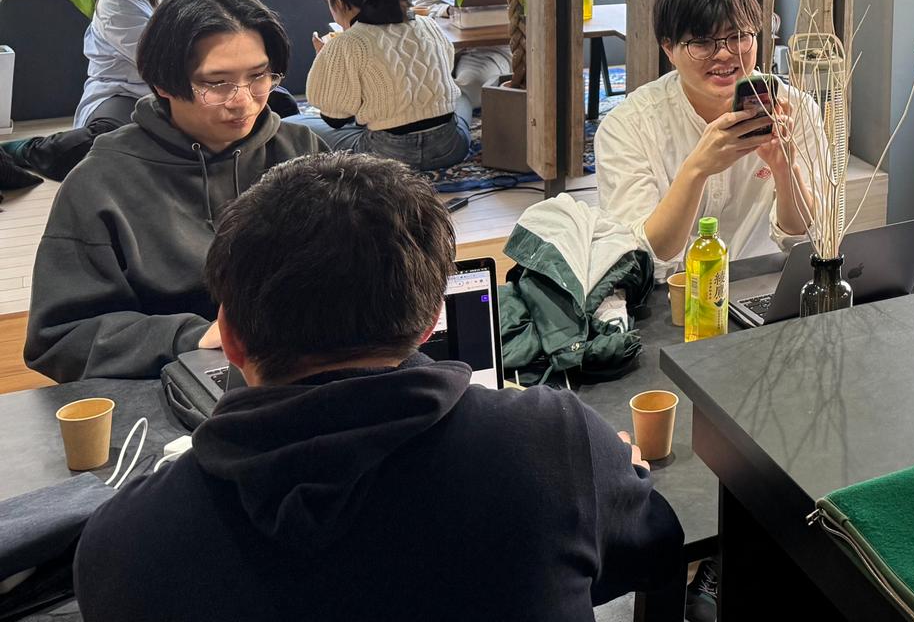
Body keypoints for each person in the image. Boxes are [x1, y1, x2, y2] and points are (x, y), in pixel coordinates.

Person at [73, 152, 684, 622]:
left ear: (227, 337)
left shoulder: (122, 544)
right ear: (430, 321)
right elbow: (651, 551)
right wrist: (611, 475)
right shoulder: (552, 444)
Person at [25, 0, 323, 382]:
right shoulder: (102, 182)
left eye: (258, 77)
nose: (244, 101)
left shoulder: (301, 151)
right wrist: (191, 338)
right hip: (172, 382)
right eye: (216, 83)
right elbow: (60, 337)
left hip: (304, 370)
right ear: (163, 83)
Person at [596, 0, 814, 266]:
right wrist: (696, 169)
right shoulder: (628, 126)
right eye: (701, 42)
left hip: (764, 285)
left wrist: (785, 169)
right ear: (668, 49)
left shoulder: (796, 111)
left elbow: (803, 239)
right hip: (672, 289)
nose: (724, 53)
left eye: (738, 36)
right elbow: (644, 256)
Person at [0, 0, 222, 184]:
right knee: (108, 152)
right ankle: (26, 150)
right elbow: (161, 59)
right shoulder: (119, 0)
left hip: (194, 92)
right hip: (128, 93)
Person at [285, 0, 472, 170]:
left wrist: (325, 59)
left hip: (386, 156)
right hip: (450, 148)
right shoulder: (429, 25)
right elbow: (443, 74)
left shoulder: (348, 42)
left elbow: (335, 119)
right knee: (462, 99)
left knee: (292, 125)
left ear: (338, 2)